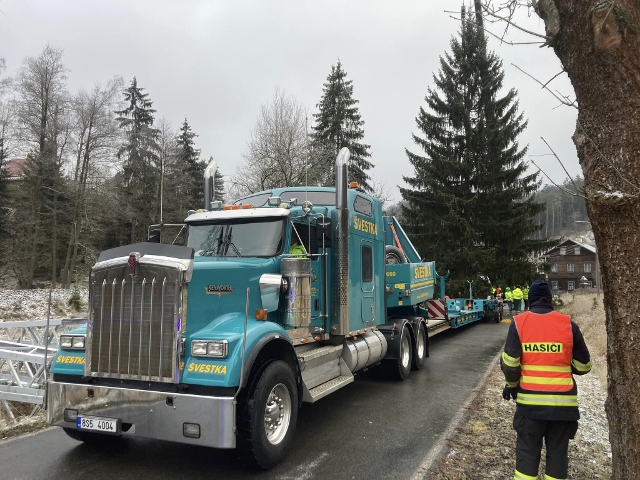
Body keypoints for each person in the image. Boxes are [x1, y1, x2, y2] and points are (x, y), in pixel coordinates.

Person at [500, 280, 591, 480]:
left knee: (526, 457)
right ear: (550, 300)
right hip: (563, 408)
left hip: (530, 408)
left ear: (530, 301)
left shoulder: (520, 323)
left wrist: (512, 385)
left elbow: (509, 364)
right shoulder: (568, 324)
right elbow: (584, 366)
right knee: (558, 457)